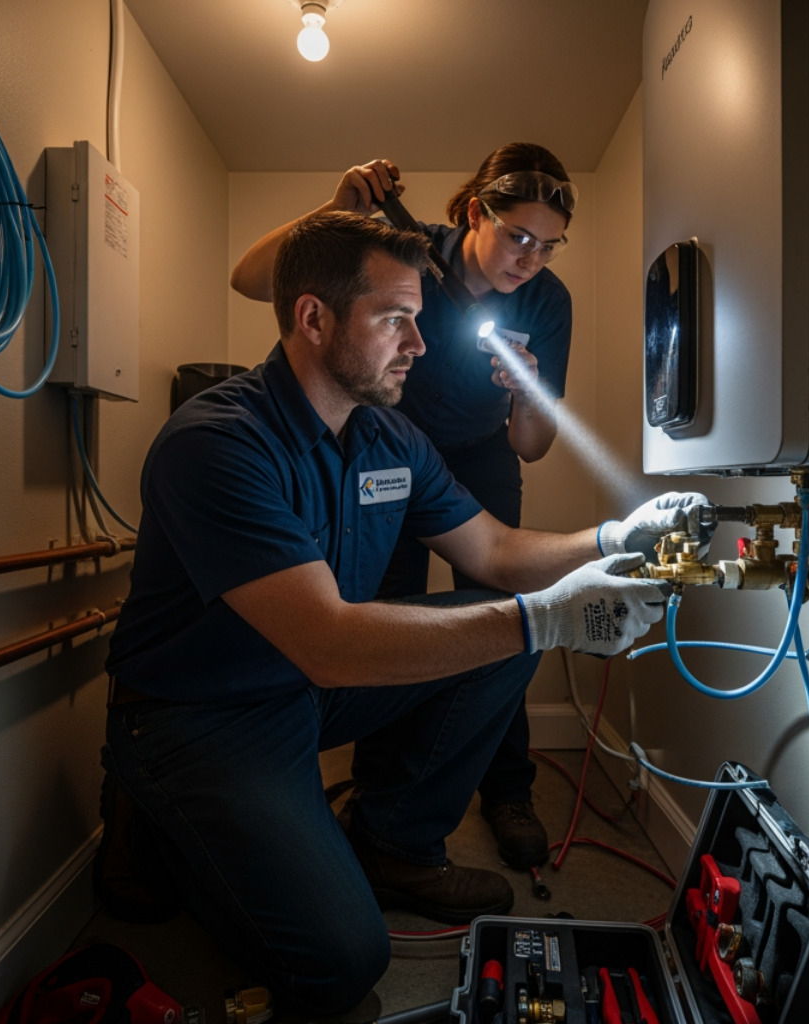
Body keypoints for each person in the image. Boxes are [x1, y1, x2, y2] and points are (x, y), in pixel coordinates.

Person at [103, 210, 705, 1014]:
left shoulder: (388, 437)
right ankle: (157, 822)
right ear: (313, 318)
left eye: (418, 321)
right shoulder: (217, 443)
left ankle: (394, 846)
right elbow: (330, 641)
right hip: (199, 714)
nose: (419, 346)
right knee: (345, 959)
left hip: (302, 688)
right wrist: (550, 618)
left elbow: (491, 551)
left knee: (502, 631)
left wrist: (610, 536)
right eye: (395, 320)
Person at [230, 144, 576, 869]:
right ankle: (382, 794)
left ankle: (508, 789)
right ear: (477, 211)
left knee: (504, 611)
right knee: (393, 605)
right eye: (519, 237)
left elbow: (534, 444)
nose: (530, 260)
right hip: (389, 443)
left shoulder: (548, 301)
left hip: (482, 454)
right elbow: (249, 278)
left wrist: (527, 393)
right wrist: (337, 211)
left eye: (548, 247)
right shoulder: (408, 248)